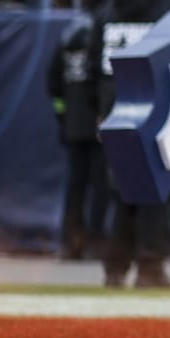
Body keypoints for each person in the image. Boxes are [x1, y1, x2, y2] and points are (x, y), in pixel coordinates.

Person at [90, 0, 170, 288]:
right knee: (157, 190)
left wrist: (99, 109)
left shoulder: (110, 6)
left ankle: (115, 266)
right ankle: (150, 266)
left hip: (114, 106)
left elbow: (92, 63)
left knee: (123, 189)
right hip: (158, 106)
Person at [47, 16, 107, 260]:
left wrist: (64, 118)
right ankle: (95, 243)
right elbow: (101, 81)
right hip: (100, 125)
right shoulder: (101, 39)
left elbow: (53, 86)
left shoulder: (65, 41)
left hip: (73, 127)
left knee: (76, 188)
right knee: (100, 188)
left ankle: (71, 243)